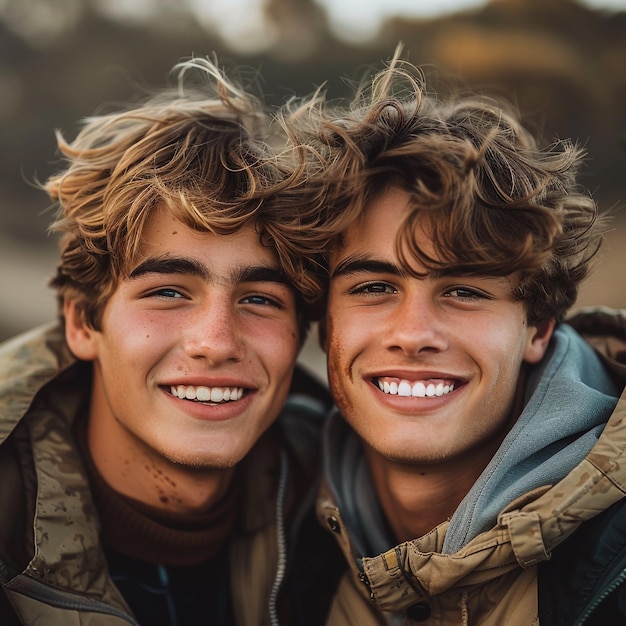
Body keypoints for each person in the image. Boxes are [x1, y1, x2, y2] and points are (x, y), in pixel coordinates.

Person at [279, 54, 626, 624]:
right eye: (374, 286)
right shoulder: (282, 540)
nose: (414, 334)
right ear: (323, 319)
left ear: (538, 327)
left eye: (464, 290)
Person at [0, 57, 335, 626]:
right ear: (82, 322)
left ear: (298, 335)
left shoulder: (350, 530)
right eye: (169, 292)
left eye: (260, 299)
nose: (216, 343)